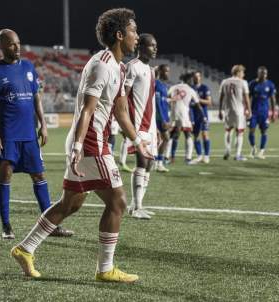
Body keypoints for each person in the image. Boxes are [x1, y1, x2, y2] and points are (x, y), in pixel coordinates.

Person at [11, 8, 149, 283]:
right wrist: (77, 148)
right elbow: (87, 110)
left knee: (70, 204)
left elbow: (121, 112)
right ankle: (105, 269)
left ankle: (24, 249)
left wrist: (137, 141)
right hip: (89, 143)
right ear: (120, 35)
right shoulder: (102, 64)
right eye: (134, 31)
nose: (137, 36)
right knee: (118, 202)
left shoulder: (119, 68)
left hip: (92, 142)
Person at [0, 29, 72, 239]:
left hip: (29, 134)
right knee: (5, 176)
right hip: (7, 135)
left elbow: (36, 98)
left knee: (39, 175)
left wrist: (43, 124)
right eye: (13, 44)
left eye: (18, 43)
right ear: (2, 46)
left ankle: (50, 226)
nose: (17, 47)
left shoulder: (29, 67)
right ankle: (6, 226)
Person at [124, 33, 159, 219]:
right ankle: (136, 207)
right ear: (142, 47)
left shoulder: (151, 70)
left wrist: (156, 129)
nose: (155, 48)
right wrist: (125, 125)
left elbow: (151, 100)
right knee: (142, 162)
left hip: (150, 126)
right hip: (137, 124)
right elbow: (123, 97)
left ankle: (137, 205)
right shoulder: (132, 67)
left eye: (155, 45)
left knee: (150, 163)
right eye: (152, 45)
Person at [219, 65, 251, 161]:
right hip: (239, 111)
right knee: (240, 132)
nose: (243, 74)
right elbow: (246, 98)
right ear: (238, 72)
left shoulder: (224, 82)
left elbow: (221, 97)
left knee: (228, 130)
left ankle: (227, 150)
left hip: (228, 110)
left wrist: (220, 110)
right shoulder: (243, 82)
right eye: (242, 72)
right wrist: (249, 110)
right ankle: (237, 155)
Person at [168, 72, 198, 164]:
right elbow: (197, 103)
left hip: (174, 115)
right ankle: (188, 158)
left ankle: (168, 157)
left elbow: (167, 98)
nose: (192, 81)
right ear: (188, 79)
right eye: (191, 79)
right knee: (188, 135)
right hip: (184, 116)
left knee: (172, 136)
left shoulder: (173, 87)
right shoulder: (190, 90)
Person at [248, 66, 277, 159]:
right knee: (251, 130)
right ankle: (253, 148)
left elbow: (273, 99)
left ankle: (261, 151)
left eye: (265, 73)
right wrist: (247, 110)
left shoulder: (270, 84)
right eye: (262, 73)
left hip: (264, 113)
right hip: (253, 112)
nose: (264, 75)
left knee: (264, 131)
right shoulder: (252, 84)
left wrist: (273, 113)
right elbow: (248, 97)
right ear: (258, 73)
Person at [188, 71, 212, 164]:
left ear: (200, 77)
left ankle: (206, 156)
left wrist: (198, 99)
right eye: (195, 77)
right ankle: (199, 156)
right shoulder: (190, 88)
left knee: (205, 134)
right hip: (193, 115)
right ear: (192, 78)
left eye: (198, 76)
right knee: (196, 136)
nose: (197, 78)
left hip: (203, 115)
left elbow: (209, 102)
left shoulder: (204, 88)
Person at [154, 64, 171, 172]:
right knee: (165, 139)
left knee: (161, 139)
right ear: (160, 72)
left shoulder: (163, 85)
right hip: (159, 118)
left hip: (163, 117)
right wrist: (163, 119)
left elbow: (164, 102)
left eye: (168, 71)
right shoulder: (157, 84)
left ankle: (156, 162)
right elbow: (157, 103)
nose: (168, 73)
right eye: (166, 71)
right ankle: (158, 163)